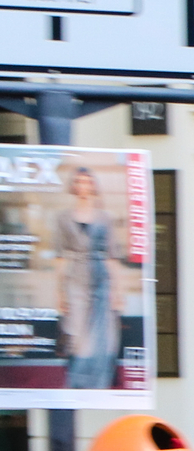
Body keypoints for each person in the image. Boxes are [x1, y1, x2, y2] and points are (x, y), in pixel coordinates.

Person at [52, 166, 119, 390]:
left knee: (102, 334)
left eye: (87, 181)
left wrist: (116, 291)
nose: (83, 186)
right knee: (77, 332)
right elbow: (60, 257)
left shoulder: (104, 218)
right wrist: (60, 292)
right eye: (79, 181)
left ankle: (99, 382)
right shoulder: (63, 218)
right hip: (75, 278)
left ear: (93, 186)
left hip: (100, 279)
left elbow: (111, 256)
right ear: (73, 186)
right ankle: (78, 382)